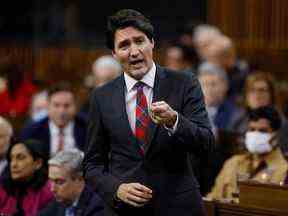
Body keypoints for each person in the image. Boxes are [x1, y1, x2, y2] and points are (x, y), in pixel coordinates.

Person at [83, 9, 214, 216]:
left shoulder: (185, 83)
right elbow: (92, 165)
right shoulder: (101, 97)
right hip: (126, 210)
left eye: (139, 41)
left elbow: (206, 143)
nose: (134, 51)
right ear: (114, 53)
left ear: (152, 42)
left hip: (179, 207)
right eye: (124, 45)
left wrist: (174, 121)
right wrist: (116, 189)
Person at [206, 106, 287, 202]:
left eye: (262, 131)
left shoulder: (284, 170)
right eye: (252, 129)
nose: (255, 135)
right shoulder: (233, 163)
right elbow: (211, 199)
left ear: (275, 136)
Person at [20, 81, 87, 156]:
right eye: (56, 105)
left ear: (75, 107)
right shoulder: (32, 131)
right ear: (48, 106)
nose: (61, 111)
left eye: (67, 105)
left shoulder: (88, 128)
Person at [39, 149, 104, 216]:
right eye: (51, 181)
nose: (52, 189)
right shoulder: (60, 201)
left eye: (59, 182)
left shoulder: (97, 206)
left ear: (80, 179)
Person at [0, 139, 53, 215]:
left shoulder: (50, 191)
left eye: (20, 158)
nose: (13, 164)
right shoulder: (4, 187)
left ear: (38, 163)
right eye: (11, 159)